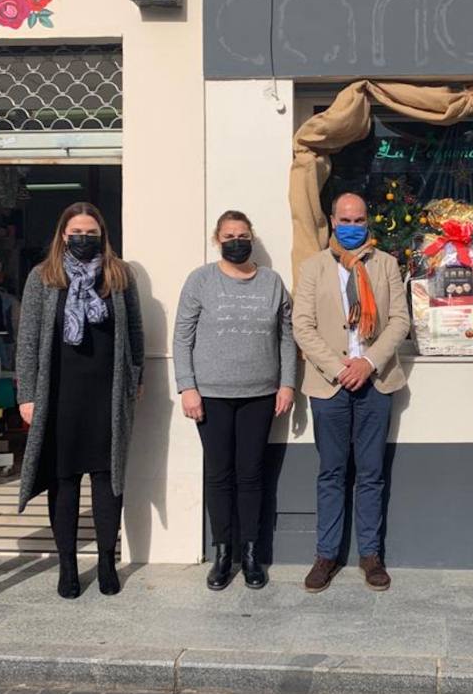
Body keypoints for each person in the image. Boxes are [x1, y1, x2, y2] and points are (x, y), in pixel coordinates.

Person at [16, 202, 144, 600]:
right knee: (64, 480)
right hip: (60, 394)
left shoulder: (119, 275)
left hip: (107, 394)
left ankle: (106, 561)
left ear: (103, 236)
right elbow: (28, 340)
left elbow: (135, 330)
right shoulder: (43, 277)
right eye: (77, 233)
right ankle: (68, 566)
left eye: (91, 233)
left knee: (108, 479)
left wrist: (136, 377)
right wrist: (26, 395)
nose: (84, 239)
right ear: (63, 235)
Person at [292, 191, 410, 593]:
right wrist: (339, 368)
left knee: (372, 473)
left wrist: (368, 362)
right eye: (345, 220)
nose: (353, 226)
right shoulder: (313, 267)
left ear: (367, 222)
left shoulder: (386, 264)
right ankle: (326, 555)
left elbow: (399, 321)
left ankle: (370, 555)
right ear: (332, 220)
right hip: (330, 386)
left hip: (375, 382)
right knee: (332, 472)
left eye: (359, 220)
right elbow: (302, 325)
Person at [174, 210, 296, 591]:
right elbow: (182, 336)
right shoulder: (200, 280)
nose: (236, 242)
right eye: (229, 236)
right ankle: (223, 553)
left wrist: (287, 383)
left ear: (252, 237)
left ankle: (251, 553)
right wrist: (186, 386)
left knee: (251, 474)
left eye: (242, 235)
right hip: (211, 395)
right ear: (217, 240)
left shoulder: (272, 282)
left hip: (260, 394)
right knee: (218, 474)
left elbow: (287, 337)